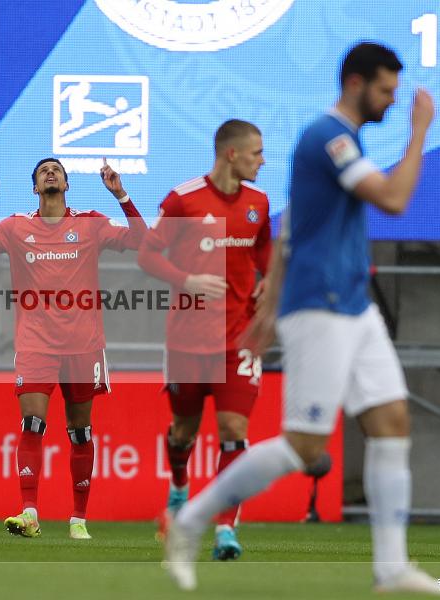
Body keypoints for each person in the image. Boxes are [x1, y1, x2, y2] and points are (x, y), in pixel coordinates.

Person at [163, 42, 440, 595]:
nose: (394, 101)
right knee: (304, 447)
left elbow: (292, 228)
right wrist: (421, 131)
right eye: (386, 90)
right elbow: (393, 199)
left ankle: (391, 569)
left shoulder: (340, 144)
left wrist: (268, 303)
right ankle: (189, 520)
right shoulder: (329, 136)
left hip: (351, 304)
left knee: (392, 422)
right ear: (355, 83)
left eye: (399, 95)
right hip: (321, 307)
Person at [0, 158, 145, 540]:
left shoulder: (90, 223)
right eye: (44, 171)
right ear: (34, 188)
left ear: (66, 185)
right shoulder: (15, 227)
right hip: (35, 344)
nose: (51, 173)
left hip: (84, 346)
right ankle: (30, 513)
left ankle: (78, 518)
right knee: (32, 424)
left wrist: (121, 195)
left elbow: (142, 240)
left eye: (57, 170)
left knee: (80, 432)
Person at [138, 119, 270, 560]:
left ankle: (225, 530)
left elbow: (265, 256)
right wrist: (187, 279)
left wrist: (269, 282)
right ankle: (179, 489)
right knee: (184, 432)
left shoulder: (259, 203)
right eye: (256, 152)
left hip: (239, 339)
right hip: (188, 339)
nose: (262, 160)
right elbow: (148, 254)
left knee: (234, 431)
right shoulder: (182, 200)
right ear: (232, 154)